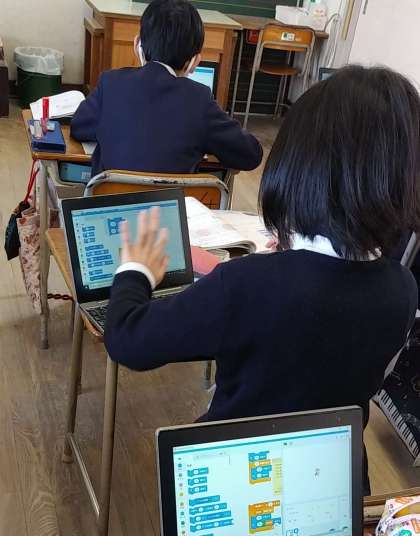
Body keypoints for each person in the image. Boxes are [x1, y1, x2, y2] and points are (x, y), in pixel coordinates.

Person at [104, 66, 420, 493]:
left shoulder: (246, 284)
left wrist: (135, 269)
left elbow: (128, 339)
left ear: (298, 166)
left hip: (242, 482)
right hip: (335, 483)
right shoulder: (402, 289)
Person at [71, 0, 262, 177]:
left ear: (137, 44)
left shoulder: (111, 82)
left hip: (107, 202)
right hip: (171, 203)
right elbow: (251, 155)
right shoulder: (199, 99)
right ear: (195, 62)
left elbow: (78, 127)